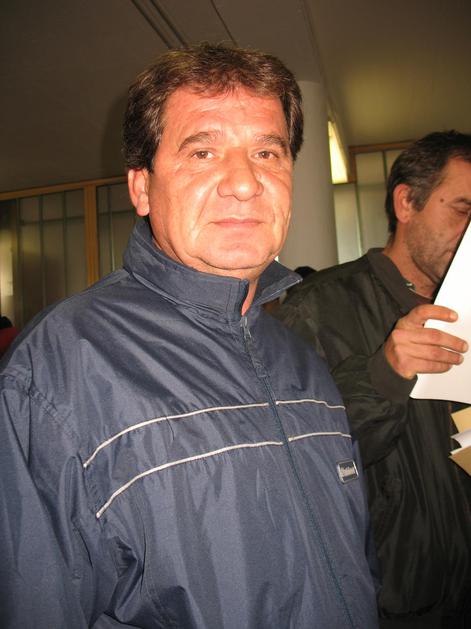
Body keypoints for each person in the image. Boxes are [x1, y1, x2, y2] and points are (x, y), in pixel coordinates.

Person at [0, 43, 378, 628]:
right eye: (203, 152)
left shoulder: (302, 362)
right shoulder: (58, 371)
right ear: (142, 188)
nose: (246, 183)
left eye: (267, 152)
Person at [276, 130, 471, 628]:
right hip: (391, 604)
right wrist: (385, 373)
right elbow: (298, 462)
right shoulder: (317, 307)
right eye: (463, 210)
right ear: (406, 202)